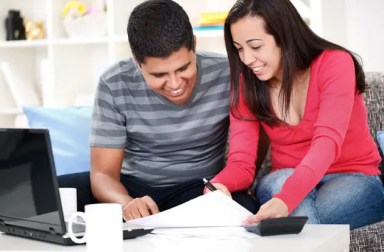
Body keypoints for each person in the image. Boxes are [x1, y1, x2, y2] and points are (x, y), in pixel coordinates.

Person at [58, 0, 259, 220]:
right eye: (159, 75)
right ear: (137, 62)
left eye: (183, 68)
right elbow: (103, 175)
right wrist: (127, 203)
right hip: (133, 189)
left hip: (200, 189)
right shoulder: (114, 82)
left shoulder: (228, 73)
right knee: (54, 192)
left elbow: (255, 140)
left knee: (244, 206)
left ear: (194, 44)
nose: (174, 84)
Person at [208, 0, 384, 229]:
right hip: (282, 178)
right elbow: (242, 163)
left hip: (352, 176)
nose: (247, 59)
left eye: (256, 46)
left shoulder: (335, 63)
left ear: (284, 36)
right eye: (239, 48)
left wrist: (286, 199)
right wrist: (218, 184)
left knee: (296, 218)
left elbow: (327, 143)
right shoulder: (247, 85)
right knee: (287, 191)